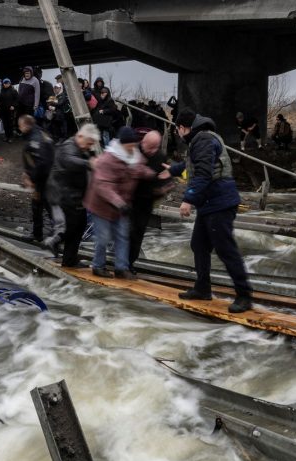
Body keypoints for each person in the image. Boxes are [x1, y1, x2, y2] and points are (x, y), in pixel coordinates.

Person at [170, 109, 253, 313]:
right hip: (210, 203)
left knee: (226, 249)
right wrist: (172, 170)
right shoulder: (200, 139)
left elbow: (204, 174)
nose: (178, 134)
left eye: (178, 130)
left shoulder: (203, 140)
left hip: (220, 203)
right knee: (198, 244)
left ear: (183, 128)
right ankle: (202, 288)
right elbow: (194, 164)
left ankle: (244, 296)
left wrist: (188, 199)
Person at [83, 127, 153, 279]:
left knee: (122, 236)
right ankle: (98, 266)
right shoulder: (107, 159)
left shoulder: (135, 156)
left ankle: (121, 268)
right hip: (101, 205)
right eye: (130, 145)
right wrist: (119, 203)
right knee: (103, 237)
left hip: (121, 206)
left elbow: (140, 169)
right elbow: (103, 185)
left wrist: (154, 175)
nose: (133, 147)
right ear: (122, 144)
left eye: (134, 144)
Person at [45, 123, 100, 267]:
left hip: (75, 194)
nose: (88, 147)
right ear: (80, 136)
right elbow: (70, 161)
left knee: (80, 225)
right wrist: (89, 163)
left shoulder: (83, 148)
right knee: (73, 225)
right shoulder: (68, 146)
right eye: (88, 143)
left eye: (91, 145)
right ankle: (55, 240)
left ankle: (69, 259)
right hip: (63, 194)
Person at [129, 130, 172, 271]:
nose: (152, 151)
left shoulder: (160, 156)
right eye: (150, 147)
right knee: (126, 232)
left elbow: (165, 177)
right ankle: (120, 263)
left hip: (147, 201)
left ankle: (130, 263)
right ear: (143, 142)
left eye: (156, 147)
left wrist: (163, 189)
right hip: (130, 199)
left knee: (138, 233)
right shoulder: (134, 151)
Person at [19, 114, 55, 241]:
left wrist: (32, 179)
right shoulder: (39, 133)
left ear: (26, 125)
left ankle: (56, 235)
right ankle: (37, 233)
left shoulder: (36, 140)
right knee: (38, 206)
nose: (19, 129)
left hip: (44, 179)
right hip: (44, 177)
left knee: (47, 206)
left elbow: (42, 163)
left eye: (21, 126)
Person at [0, 78, 19, 142]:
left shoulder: (13, 90)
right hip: (3, 109)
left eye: (7, 83)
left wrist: (13, 105)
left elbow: (17, 99)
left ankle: (11, 137)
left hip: (10, 110)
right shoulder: (1, 90)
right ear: (3, 84)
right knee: (5, 123)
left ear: (10, 83)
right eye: (5, 83)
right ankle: (6, 136)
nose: (6, 84)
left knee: (10, 124)